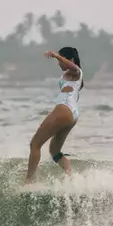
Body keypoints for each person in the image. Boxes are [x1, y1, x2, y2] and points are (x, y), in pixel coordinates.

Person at [25, 46, 84, 183]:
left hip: (65, 108)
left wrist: (56, 55)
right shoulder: (73, 77)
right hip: (73, 113)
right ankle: (72, 179)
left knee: (35, 145)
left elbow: (74, 67)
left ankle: (28, 182)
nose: (59, 63)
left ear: (70, 59)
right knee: (55, 152)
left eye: (61, 60)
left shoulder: (76, 71)